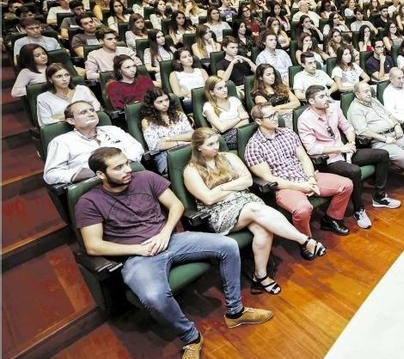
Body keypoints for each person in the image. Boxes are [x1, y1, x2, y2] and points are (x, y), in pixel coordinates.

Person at [76, 147, 272, 358]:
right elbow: (93, 245)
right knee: (154, 297)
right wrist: (138, 248)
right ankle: (191, 337)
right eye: (118, 168)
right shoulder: (89, 202)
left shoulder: (146, 177)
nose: (127, 169)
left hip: (171, 239)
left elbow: (176, 205)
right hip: (136, 255)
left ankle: (236, 312)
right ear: (100, 175)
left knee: (228, 246)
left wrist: (165, 232)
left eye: (126, 163)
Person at [185, 127, 325, 296]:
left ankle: (260, 276)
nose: (217, 147)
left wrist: (222, 188)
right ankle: (305, 240)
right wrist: (234, 186)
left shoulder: (229, 157)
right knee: (255, 209)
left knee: (263, 229)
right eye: (211, 144)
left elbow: (248, 181)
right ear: (199, 147)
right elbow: (208, 199)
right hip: (218, 212)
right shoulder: (191, 170)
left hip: (245, 201)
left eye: (216, 142)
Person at [245, 103, 354, 238]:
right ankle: (306, 240)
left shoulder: (288, 133)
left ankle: (331, 219)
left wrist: (310, 178)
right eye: (270, 116)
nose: (275, 118)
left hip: (305, 176)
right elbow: (269, 179)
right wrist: (300, 187)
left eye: (275, 114)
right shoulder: (254, 146)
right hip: (285, 186)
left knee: (346, 184)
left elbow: (304, 158)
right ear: (258, 121)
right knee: (303, 210)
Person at [299, 85, 399, 229]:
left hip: (345, 151)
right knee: (354, 171)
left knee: (383, 155)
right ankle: (359, 210)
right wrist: (341, 148)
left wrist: (351, 143)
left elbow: (347, 127)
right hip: (327, 160)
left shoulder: (333, 108)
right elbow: (312, 149)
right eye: (322, 97)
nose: (327, 98)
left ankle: (380, 196)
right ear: (311, 101)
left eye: (326, 95)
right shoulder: (305, 119)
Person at [43, 101, 144, 186]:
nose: (91, 114)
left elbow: (136, 147)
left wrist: (122, 163)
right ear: (71, 120)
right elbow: (51, 174)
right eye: (83, 112)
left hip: (129, 175)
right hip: (95, 186)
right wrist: (78, 174)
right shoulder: (61, 142)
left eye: (92, 110)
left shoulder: (113, 130)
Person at [140, 87, 194, 174]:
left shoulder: (179, 114)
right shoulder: (147, 122)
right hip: (165, 155)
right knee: (188, 169)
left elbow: (191, 135)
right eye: (160, 102)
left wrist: (167, 138)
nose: (165, 104)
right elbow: (155, 146)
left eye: (166, 100)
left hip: (187, 148)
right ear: (151, 104)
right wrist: (180, 142)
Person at [37, 64, 102, 126]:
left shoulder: (82, 89)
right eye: (59, 76)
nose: (64, 79)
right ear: (50, 79)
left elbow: (96, 108)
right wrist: (82, 114)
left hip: (89, 125)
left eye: (67, 75)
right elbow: (46, 122)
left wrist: (60, 117)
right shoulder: (43, 98)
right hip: (63, 132)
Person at [202, 76, 249, 150]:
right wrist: (239, 118)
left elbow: (246, 120)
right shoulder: (208, 106)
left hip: (242, 132)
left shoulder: (234, 100)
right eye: (220, 88)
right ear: (211, 92)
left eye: (225, 87)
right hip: (225, 138)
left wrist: (227, 126)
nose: (224, 90)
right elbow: (222, 128)